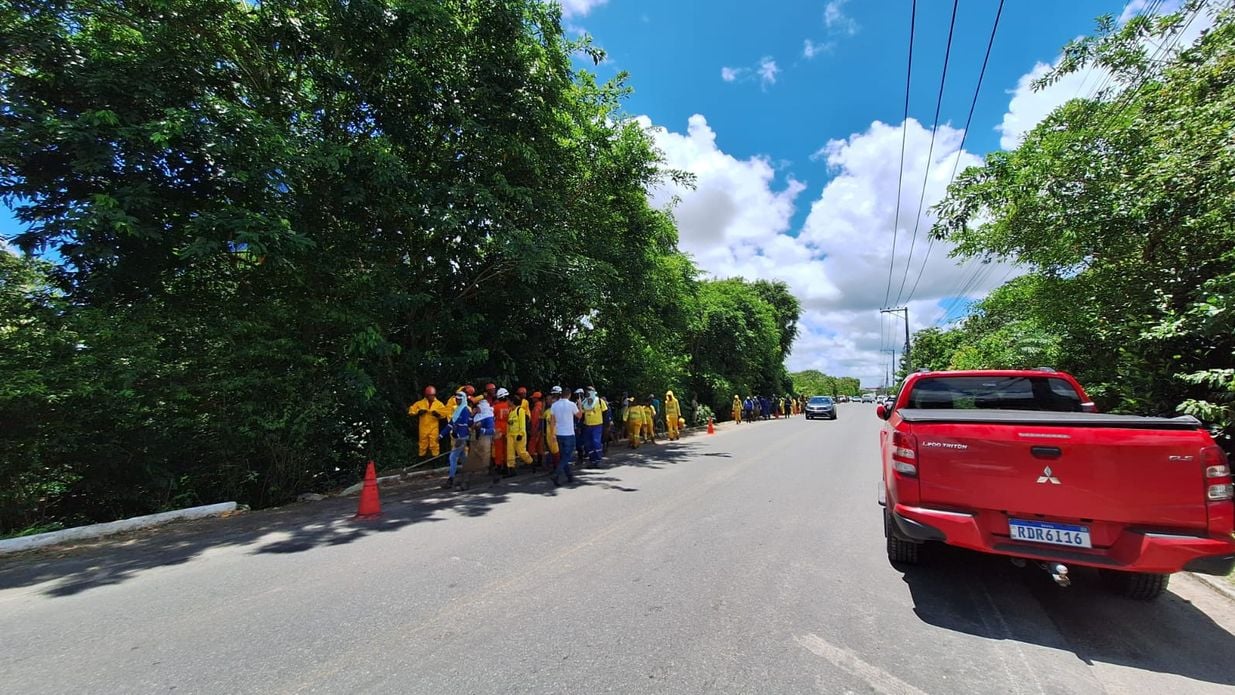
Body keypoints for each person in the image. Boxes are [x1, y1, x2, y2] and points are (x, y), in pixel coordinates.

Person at [548, 385, 582, 486]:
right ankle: (556, 473)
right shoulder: (571, 404)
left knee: (563, 456)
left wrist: (553, 434)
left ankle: (569, 476)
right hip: (569, 434)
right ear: (569, 395)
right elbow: (579, 415)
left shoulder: (554, 405)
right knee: (567, 456)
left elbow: (552, 422)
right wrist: (579, 405)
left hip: (559, 434)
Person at [408, 386, 451, 459]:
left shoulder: (439, 404)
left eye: (433, 395)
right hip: (423, 427)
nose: (432, 397)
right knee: (422, 444)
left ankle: (435, 459)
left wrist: (437, 415)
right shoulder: (420, 403)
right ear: (426, 396)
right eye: (430, 395)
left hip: (434, 427)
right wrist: (418, 412)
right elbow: (411, 411)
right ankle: (421, 459)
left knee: (434, 443)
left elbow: (444, 414)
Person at [444, 391, 472, 489]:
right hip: (458, 437)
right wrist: (441, 435)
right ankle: (467, 477)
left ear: (463, 399)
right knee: (463, 458)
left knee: (452, 457)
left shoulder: (465, 410)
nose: (457, 400)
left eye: (459, 399)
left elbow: (465, 425)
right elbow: (451, 424)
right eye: (456, 399)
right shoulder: (457, 410)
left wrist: (459, 436)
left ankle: (451, 479)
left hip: (461, 438)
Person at [506, 391, 534, 472]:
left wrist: (521, 434)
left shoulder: (520, 410)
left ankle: (531, 462)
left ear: (512, 401)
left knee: (521, 452)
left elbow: (522, 423)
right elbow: (509, 424)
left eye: (508, 400)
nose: (507, 402)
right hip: (511, 435)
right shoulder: (511, 412)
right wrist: (508, 434)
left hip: (519, 435)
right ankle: (511, 469)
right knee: (510, 453)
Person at [580, 386, 607, 467]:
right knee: (588, 444)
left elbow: (605, 412)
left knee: (596, 442)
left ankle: (598, 459)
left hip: (597, 425)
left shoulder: (599, 401)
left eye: (588, 391)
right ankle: (592, 460)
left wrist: (605, 424)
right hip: (587, 426)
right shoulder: (584, 402)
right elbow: (582, 413)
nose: (587, 392)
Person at [492, 387, 511, 473]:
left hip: (498, 429)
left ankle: (499, 465)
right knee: (507, 448)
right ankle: (507, 465)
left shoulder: (495, 407)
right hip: (508, 428)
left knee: (498, 449)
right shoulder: (510, 406)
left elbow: (492, 416)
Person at [528, 391, 546, 470]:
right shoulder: (542, 407)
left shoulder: (536, 408)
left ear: (536, 398)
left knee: (532, 446)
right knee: (540, 446)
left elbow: (535, 421)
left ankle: (532, 463)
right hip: (541, 430)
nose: (532, 399)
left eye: (533, 398)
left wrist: (533, 431)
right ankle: (539, 462)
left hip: (536, 430)